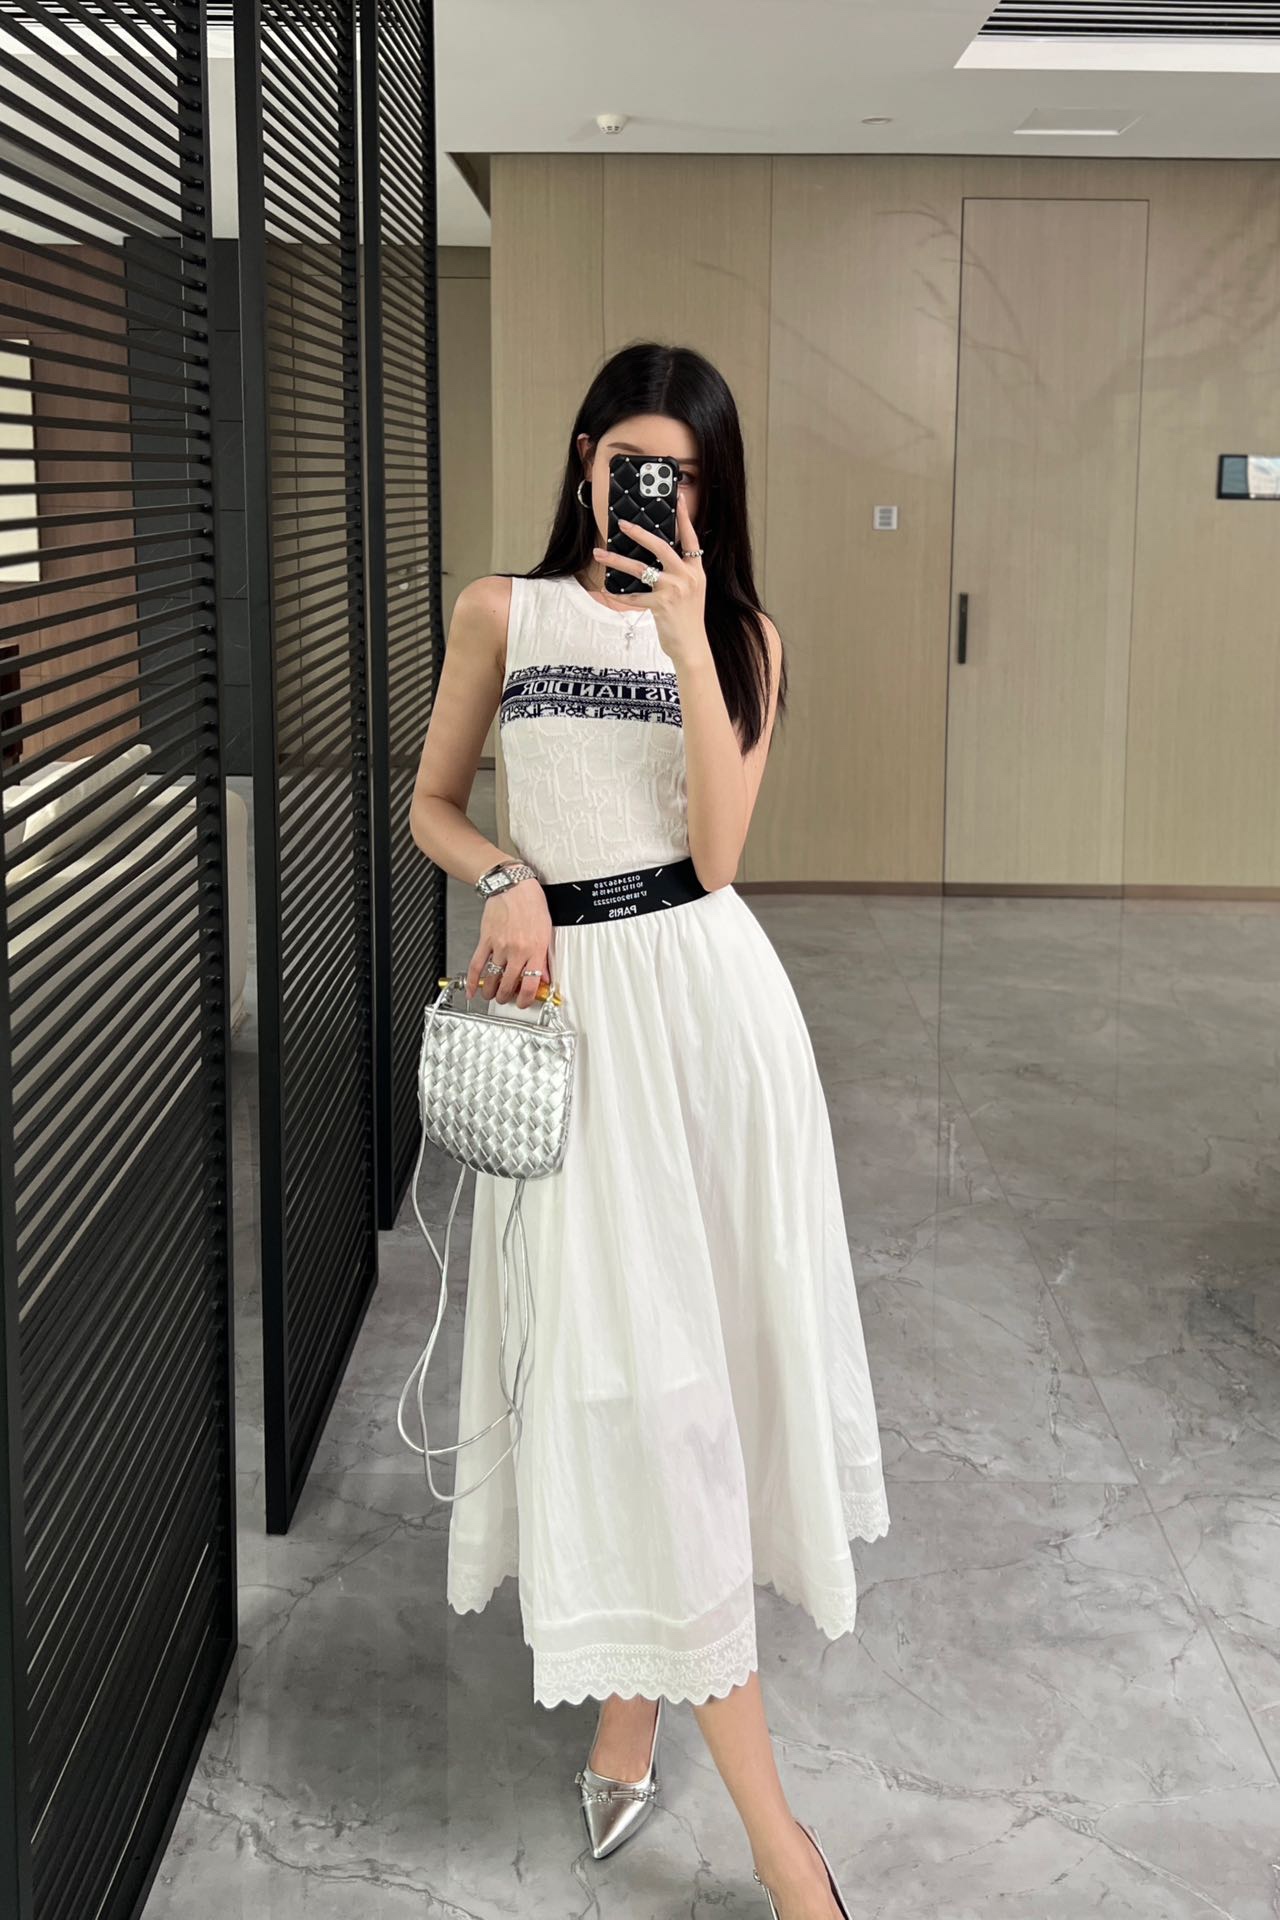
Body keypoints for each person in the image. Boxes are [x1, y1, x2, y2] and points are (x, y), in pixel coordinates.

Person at [408, 341, 890, 1919]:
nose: (648, 491)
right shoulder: (503, 611)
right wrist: (505, 876)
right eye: (627, 464)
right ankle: (759, 1821)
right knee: (625, 1380)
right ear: (583, 462)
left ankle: (668, 1743)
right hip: (576, 1030)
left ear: (712, 489)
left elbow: (723, 855)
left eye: (677, 473)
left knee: (700, 1379)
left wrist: (688, 640)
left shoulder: (743, 636)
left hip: (711, 1029)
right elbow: (432, 803)